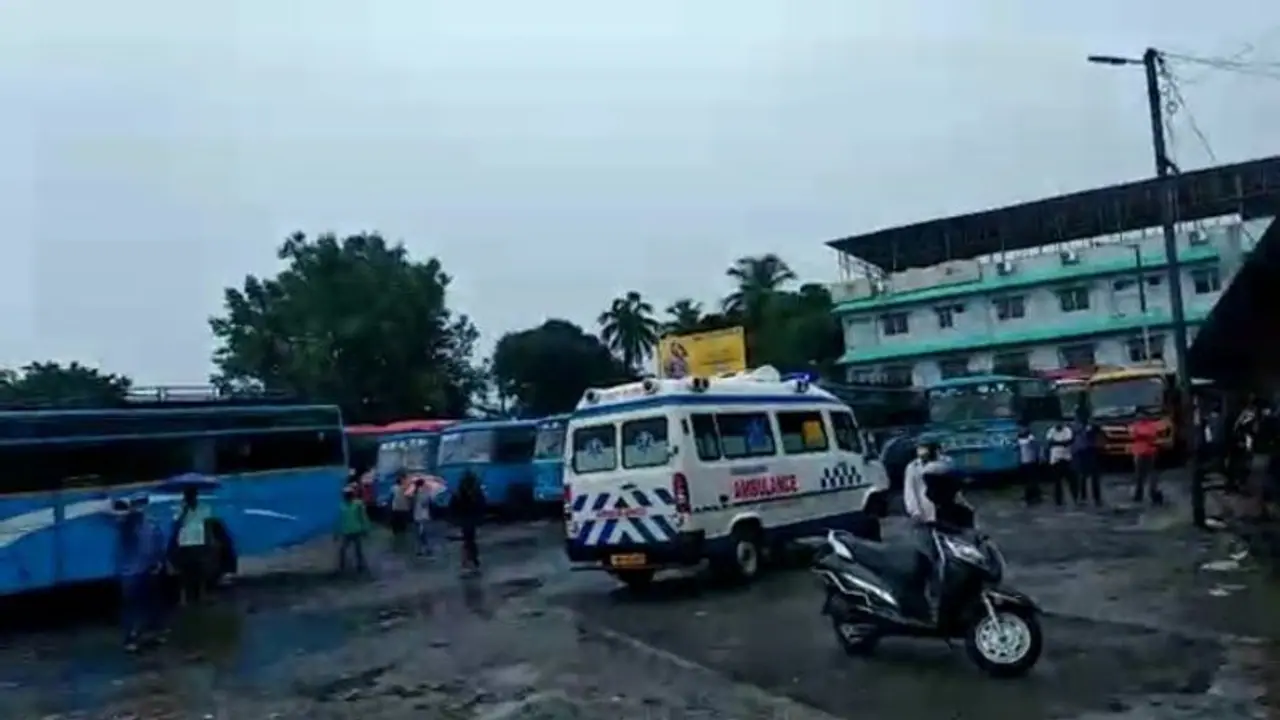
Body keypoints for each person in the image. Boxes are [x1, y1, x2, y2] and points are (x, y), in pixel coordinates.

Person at [114, 495, 168, 651]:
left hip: (147, 571)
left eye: (143, 504)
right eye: (137, 504)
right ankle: (130, 638)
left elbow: (158, 544)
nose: (140, 508)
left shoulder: (151, 524)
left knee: (151, 604)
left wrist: (159, 562)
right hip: (130, 573)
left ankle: (152, 633)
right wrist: (126, 509)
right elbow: (115, 515)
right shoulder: (127, 524)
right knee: (131, 606)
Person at [170, 486, 213, 605]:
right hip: (185, 542)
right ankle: (183, 597)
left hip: (199, 540)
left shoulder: (204, 508)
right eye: (187, 496)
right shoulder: (179, 509)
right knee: (184, 571)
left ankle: (202, 595)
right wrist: (184, 510)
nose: (190, 498)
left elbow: (207, 525)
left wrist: (209, 541)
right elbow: (176, 524)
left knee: (201, 570)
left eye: (192, 495)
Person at [451, 469, 486, 574]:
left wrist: (454, 519)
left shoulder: (459, 492)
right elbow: (482, 506)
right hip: (473, 519)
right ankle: (474, 561)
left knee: (467, 541)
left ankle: (467, 562)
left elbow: (454, 506)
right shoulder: (477, 492)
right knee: (471, 540)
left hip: (464, 519)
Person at [336, 484, 371, 574]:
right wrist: (336, 532)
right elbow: (338, 520)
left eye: (349, 494)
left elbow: (363, 517)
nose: (347, 496)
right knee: (343, 550)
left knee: (357, 550)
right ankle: (342, 566)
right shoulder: (341, 506)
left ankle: (360, 566)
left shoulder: (358, 504)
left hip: (356, 531)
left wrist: (366, 529)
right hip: (347, 531)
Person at [1130, 416, 1164, 505]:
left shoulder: (1147, 426)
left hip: (1147, 452)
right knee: (1141, 475)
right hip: (1143, 451)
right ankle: (1141, 494)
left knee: (1147, 475)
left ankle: (1150, 494)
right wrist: (1145, 436)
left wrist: (1141, 436)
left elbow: (1151, 435)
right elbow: (1134, 434)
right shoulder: (1146, 426)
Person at [1072, 412, 1103, 507]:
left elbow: (1099, 435)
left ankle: (1097, 498)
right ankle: (1083, 497)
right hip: (1081, 453)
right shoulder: (1076, 427)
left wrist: (1093, 427)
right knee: (1082, 477)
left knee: (1095, 477)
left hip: (1092, 452)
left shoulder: (1093, 426)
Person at [1044, 420, 1078, 506]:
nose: (1058, 425)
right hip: (1055, 460)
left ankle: (1075, 498)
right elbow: (1050, 443)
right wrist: (1060, 443)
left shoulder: (1067, 430)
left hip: (1066, 459)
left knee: (1073, 481)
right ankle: (1058, 501)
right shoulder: (1051, 431)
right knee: (1057, 482)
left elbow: (1067, 442)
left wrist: (1056, 443)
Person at [1015, 425, 1041, 506]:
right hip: (1024, 462)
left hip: (1031, 461)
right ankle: (1032, 496)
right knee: (1028, 480)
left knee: (1032, 480)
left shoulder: (1030, 438)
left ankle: (1032, 496)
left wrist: (1038, 457)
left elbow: (1036, 447)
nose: (1021, 430)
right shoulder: (1020, 439)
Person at [412, 477, 435, 557]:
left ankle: (422, 549)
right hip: (423, 515)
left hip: (417, 515)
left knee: (420, 533)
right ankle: (426, 549)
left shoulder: (415, 492)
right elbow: (426, 503)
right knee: (423, 533)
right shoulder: (424, 492)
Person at [389, 471, 413, 548]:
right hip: (401, 508)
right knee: (399, 524)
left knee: (398, 524)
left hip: (399, 508)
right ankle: (399, 538)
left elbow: (391, 497)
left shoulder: (395, 488)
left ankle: (399, 538)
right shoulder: (406, 488)